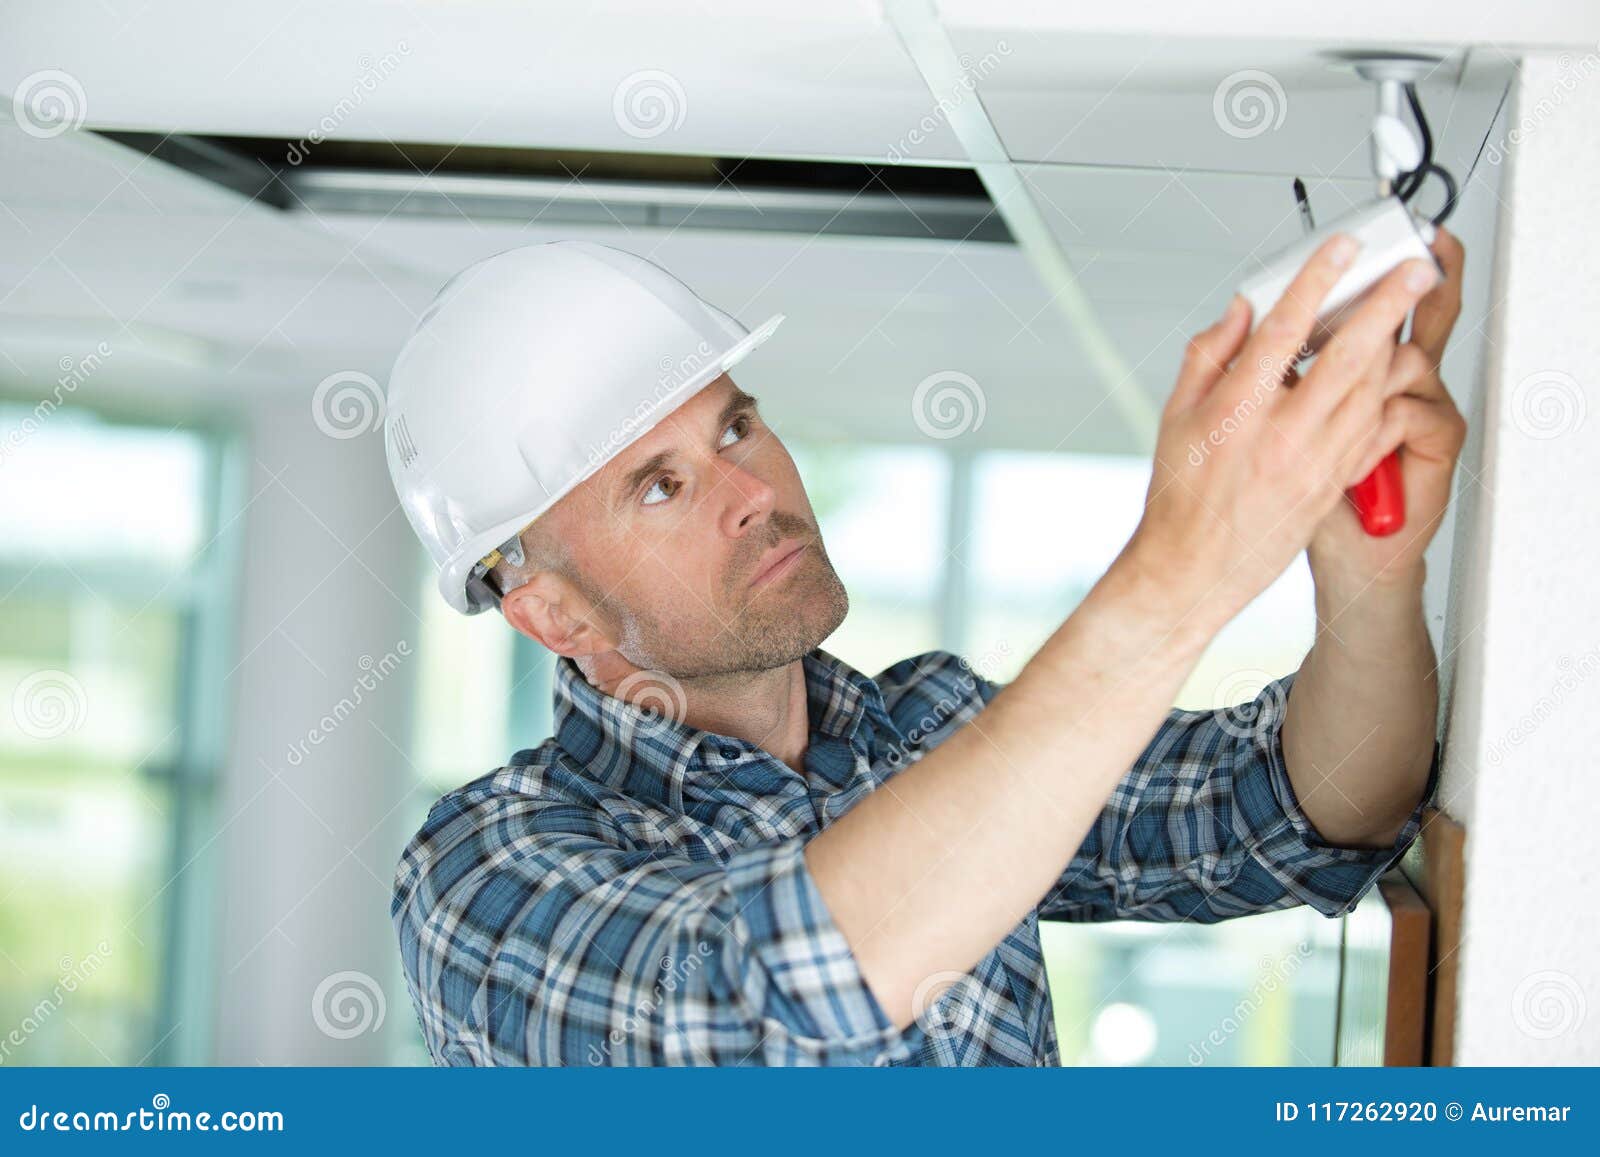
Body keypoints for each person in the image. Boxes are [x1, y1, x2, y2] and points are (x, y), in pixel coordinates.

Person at [384, 233, 1465, 1065]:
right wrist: (1183, 566)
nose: (755, 493)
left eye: (732, 429)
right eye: (660, 485)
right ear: (550, 615)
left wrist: (1368, 571)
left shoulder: (930, 730)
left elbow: (1308, 806)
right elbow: (773, 1004)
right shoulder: (483, 869)